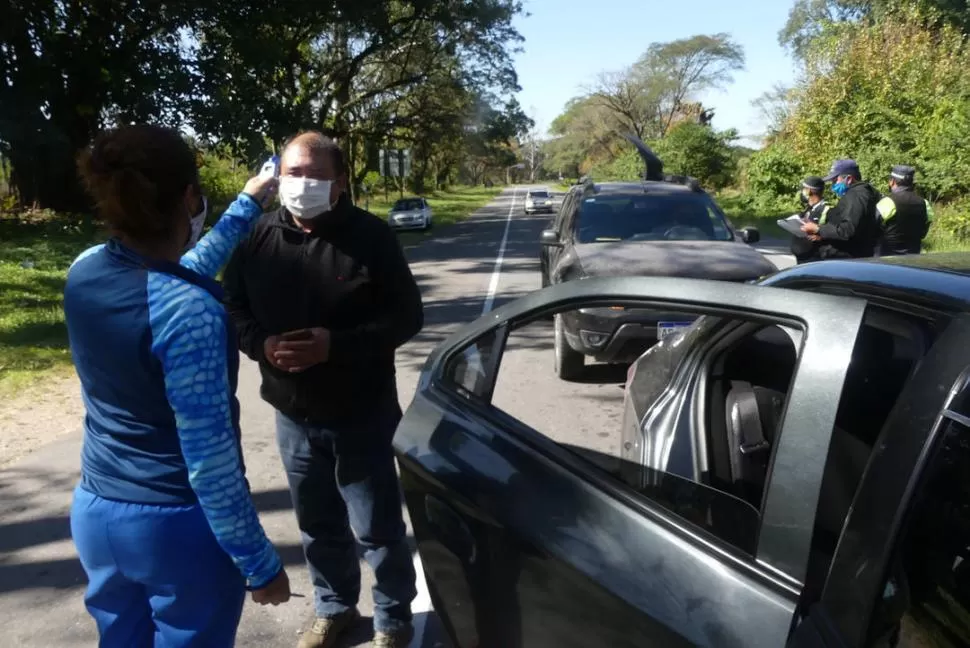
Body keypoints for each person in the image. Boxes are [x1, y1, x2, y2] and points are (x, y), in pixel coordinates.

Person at [66, 124, 290, 648]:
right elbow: (210, 465)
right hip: (174, 531)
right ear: (190, 197)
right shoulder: (190, 313)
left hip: (97, 515)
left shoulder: (84, 272)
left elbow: (175, 274)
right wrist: (259, 565)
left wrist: (247, 203)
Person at [223, 131, 423, 648]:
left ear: (338, 185)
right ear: (277, 175)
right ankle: (334, 608)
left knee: (377, 529)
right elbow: (232, 309)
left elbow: (407, 316)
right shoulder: (254, 237)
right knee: (316, 525)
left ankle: (392, 619)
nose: (303, 184)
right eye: (293, 173)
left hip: (363, 412)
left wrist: (336, 345)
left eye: (316, 175)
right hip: (292, 415)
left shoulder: (371, 237)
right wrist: (262, 345)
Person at [801, 159, 881, 259]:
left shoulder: (855, 196)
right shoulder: (864, 192)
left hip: (851, 256)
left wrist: (818, 229)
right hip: (859, 253)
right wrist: (823, 235)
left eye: (835, 180)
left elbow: (848, 230)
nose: (833, 184)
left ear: (849, 179)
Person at [875, 165, 934, 255]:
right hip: (913, 259)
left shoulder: (887, 202)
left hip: (887, 259)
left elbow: (873, 227)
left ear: (892, 182)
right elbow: (923, 232)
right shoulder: (924, 203)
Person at [790, 176, 832, 264]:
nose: (802, 192)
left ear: (809, 190)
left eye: (804, 188)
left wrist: (821, 237)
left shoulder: (826, 209)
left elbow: (833, 231)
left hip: (814, 259)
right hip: (802, 257)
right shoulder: (808, 208)